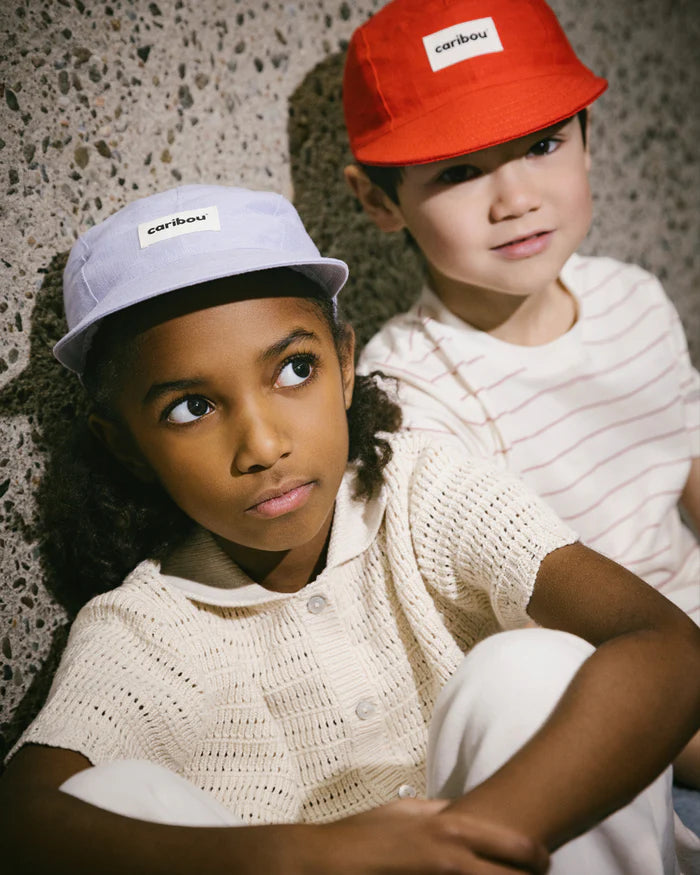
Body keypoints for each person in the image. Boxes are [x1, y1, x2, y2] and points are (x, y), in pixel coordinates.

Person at [1, 184, 699, 875]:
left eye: (295, 369)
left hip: (515, 854)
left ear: (344, 366)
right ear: (125, 446)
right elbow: (21, 820)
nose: (263, 444)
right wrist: (313, 856)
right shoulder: (147, 628)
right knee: (110, 795)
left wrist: (459, 843)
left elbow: (666, 642)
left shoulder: (420, 490)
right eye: (191, 407)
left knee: (531, 670)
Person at [342, 0, 700, 792]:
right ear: (378, 201)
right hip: (591, 686)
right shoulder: (408, 386)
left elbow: (689, 464)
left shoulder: (633, 298)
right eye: (459, 172)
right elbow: (516, 629)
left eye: (543, 144)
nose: (515, 199)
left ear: (588, 140)